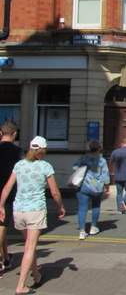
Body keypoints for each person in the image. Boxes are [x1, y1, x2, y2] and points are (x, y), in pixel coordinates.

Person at [0, 136, 65, 294]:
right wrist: (61, 207)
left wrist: (1, 205)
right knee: (30, 246)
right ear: (43, 150)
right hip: (35, 210)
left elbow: (8, 186)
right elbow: (55, 192)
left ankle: (36, 275)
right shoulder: (45, 166)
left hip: (19, 210)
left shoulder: (19, 165)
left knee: (30, 245)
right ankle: (21, 286)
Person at [73, 140, 110, 240]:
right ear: (99, 149)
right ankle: (93, 227)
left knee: (82, 209)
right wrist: (107, 187)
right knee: (96, 206)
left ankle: (82, 231)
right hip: (97, 187)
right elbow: (105, 175)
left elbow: (74, 167)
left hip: (84, 186)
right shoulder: (102, 161)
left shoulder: (84, 158)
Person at [0, 121, 23, 276]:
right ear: (15, 134)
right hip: (6, 195)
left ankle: (6, 258)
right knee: (2, 228)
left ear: (1, 133)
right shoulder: (18, 152)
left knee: (3, 230)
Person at [110, 138, 126, 214]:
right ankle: (123, 202)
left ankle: (119, 209)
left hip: (118, 175)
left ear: (121, 144)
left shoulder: (115, 152)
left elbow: (111, 162)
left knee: (119, 192)